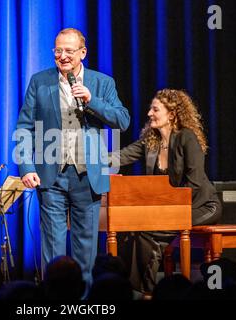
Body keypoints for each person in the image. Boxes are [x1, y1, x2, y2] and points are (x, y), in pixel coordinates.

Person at [16, 28, 130, 293]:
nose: (63, 56)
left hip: (87, 177)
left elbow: (122, 120)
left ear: (83, 53)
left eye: (69, 50)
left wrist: (92, 101)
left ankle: (84, 301)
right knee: (53, 250)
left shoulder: (102, 82)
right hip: (51, 175)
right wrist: (26, 167)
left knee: (85, 250)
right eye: (58, 50)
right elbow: (24, 128)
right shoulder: (39, 81)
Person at [112, 89, 222, 295]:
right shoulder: (151, 141)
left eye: (155, 109)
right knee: (130, 229)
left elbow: (195, 183)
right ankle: (128, 288)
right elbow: (121, 156)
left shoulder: (186, 138)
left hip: (202, 205)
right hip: (172, 208)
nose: (149, 114)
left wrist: (166, 211)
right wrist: (89, 159)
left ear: (171, 114)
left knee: (149, 229)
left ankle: (147, 291)